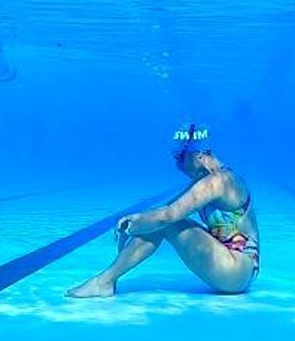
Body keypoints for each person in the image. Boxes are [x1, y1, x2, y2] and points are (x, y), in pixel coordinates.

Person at [66, 125, 260, 298]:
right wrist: (136, 225)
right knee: (159, 221)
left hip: (235, 269)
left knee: (167, 223)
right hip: (239, 271)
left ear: (198, 156)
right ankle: (106, 280)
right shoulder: (213, 180)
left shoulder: (218, 181)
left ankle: (104, 281)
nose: (178, 166)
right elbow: (163, 211)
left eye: (179, 158)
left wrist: (133, 221)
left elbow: (168, 216)